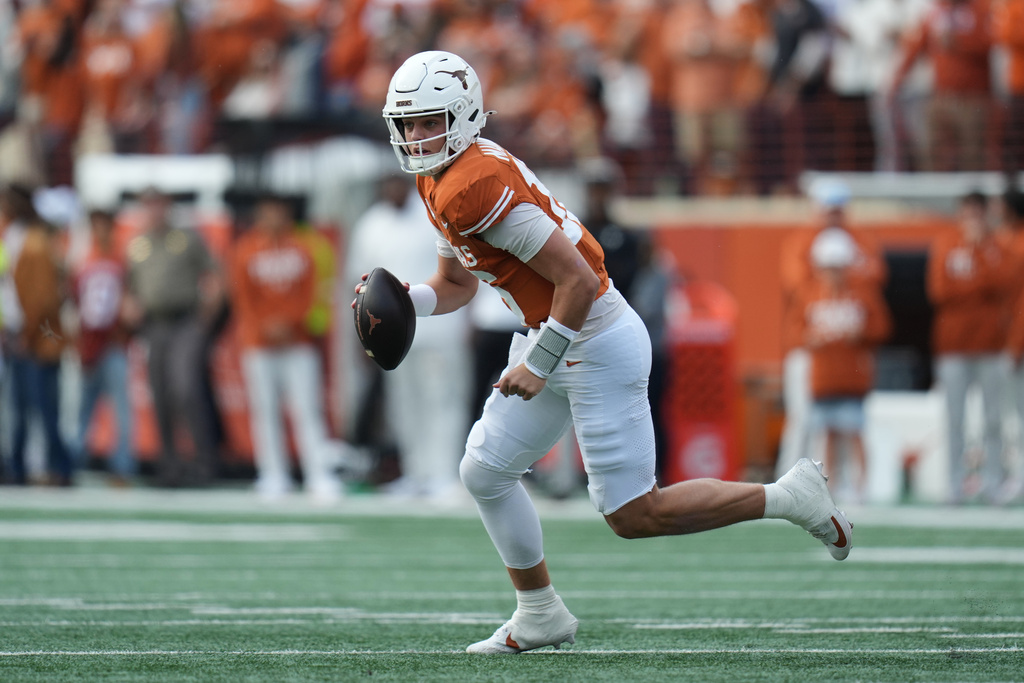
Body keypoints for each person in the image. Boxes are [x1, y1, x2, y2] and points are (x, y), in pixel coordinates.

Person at [362, 50, 854, 655]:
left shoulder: (475, 184)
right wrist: (407, 301)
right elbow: (459, 284)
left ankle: (788, 497)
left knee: (633, 515)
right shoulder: (440, 178)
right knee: (484, 472)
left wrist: (538, 364)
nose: (415, 136)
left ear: (462, 116)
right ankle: (539, 612)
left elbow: (578, 281)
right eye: (406, 124)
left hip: (593, 337)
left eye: (427, 121)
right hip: (555, 332)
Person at [347, 173, 471, 500]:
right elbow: (359, 286)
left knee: (443, 401)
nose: (393, 190)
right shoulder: (370, 224)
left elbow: (464, 271)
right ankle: (417, 473)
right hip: (394, 334)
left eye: (398, 183)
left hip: (442, 326)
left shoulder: (433, 214)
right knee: (404, 406)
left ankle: (445, 475)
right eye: (386, 184)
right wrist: (363, 335)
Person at [229, 193, 346, 503]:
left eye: (279, 211)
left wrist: (292, 323)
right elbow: (242, 297)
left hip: (298, 341)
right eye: (267, 211)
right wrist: (263, 327)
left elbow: (314, 293)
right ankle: (272, 473)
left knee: (308, 408)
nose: (273, 218)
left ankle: (317, 474)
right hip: (259, 343)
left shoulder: (304, 247)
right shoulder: (246, 249)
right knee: (264, 409)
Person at [777, 178, 888, 479]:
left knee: (848, 426)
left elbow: (875, 281)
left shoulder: (861, 240)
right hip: (811, 349)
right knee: (804, 419)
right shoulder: (802, 242)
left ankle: (843, 485)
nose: (834, 215)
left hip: (847, 355)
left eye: (838, 209)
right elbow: (798, 287)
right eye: (828, 209)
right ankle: (790, 482)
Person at [125, 187, 222, 487]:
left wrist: (207, 317)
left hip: (186, 321)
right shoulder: (137, 245)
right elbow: (128, 286)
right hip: (154, 325)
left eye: (158, 204)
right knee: (161, 393)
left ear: (167, 207)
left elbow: (215, 275)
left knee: (185, 388)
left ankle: (205, 462)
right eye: (148, 205)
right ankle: (170, 465)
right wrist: (129, 306)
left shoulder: (187, 238)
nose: (154, 211)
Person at [927, 192, 1013, 504]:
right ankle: (954, 484)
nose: (974, 220)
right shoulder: (946, 243)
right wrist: (979, 286)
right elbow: (939, 290)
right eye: (969, 213)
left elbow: (1005, 282)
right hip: (953, 345)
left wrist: (976, 260)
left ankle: (993, 482)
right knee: (954, 418)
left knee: (993, 417)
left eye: (979, 214)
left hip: (990, 344)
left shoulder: (997, 245)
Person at [796, 228, 892, 502]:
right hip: (823, 378)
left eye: (837, 267)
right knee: (827, 435)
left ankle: (862, 488)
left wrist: (858, 334)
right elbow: (795, 332)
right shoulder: (809, 294)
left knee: (854, 433)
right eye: (828, 267)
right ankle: (831, 486)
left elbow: (881, 328)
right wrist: (812, 337)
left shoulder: (862, 293)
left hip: (852, 377)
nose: (833, 273)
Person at [4, 185, 73, 486]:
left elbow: (41, 300)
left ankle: (57, 466)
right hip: (24, 333)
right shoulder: (20, 237)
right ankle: (19, 465)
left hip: (38, 337)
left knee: (43, 407)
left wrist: (27, 334)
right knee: (21, 406)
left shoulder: (35, 242)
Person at [72, 208, 135, 486]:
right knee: (83, 408)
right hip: (89, 343)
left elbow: (132, 300)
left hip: (114, 343)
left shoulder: (122, 261)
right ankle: (74, 464)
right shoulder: (83, 262)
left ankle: (121, 467)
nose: (101, 231)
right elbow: (74, 303)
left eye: (105, 226)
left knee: (121, 408)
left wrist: (126, 330)